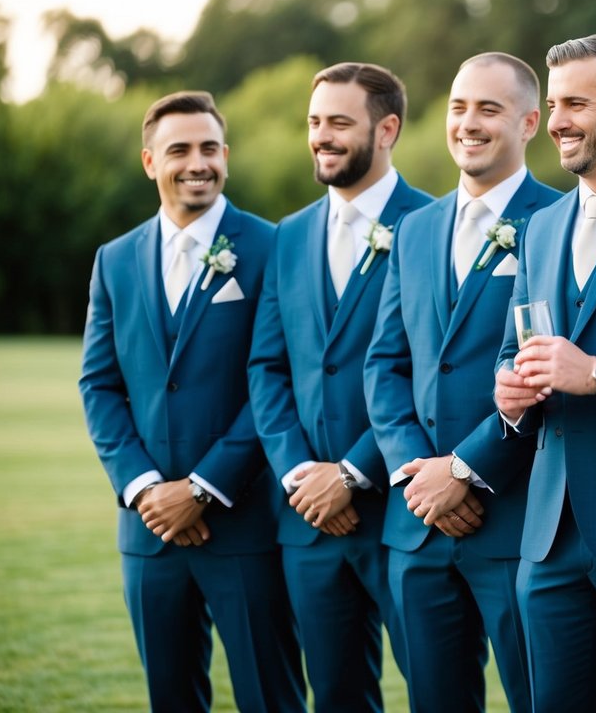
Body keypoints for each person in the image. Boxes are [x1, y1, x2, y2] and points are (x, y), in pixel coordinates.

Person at [411, 32, 596, 711]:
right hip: (545, 536)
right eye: (552, 105)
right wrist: (509, 394)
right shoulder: (541, 226)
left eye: (575, 103)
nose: (555, 123)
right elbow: (513, 347)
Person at [78, 91, 304, 712]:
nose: (196, 162)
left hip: (245, 524)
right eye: (179, 149)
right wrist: (147, 488)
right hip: (149, 533)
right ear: (150, 161)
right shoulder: (114, 260)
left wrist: (202, 487)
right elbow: (99, 384)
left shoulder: (272, 247)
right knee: (170, 699)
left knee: (272, 696)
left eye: (209, 148)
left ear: (226, 157)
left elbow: (277, 382)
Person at [363, 52, 560, 713]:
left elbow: (543, 375)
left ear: (529, 121)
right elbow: (384, 366)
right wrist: (417, 477)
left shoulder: (556, 223)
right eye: (457, 106)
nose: (468, 123)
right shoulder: (413, 231)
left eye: (488, 109)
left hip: (515, 518)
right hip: (416, 527)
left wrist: (466, 470)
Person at [247, 63, 432, 712]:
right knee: (335, 696)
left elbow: (427, 375)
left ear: (386, 129)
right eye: (314, 123)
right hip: (307, 522)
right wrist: (300, 474)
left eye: (338, 123)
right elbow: (267, 368)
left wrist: (351, 473)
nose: (321, 137)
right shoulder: (288, 234)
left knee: (436, 691)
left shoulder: (431, 227)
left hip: (404, 516)